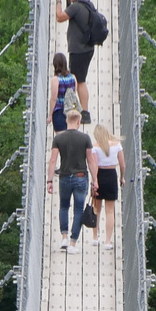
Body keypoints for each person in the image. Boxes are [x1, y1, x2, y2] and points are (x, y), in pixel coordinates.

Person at [47, 108, 99, 254]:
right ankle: (72, 243)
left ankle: (64, 236)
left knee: (64, 207)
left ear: (65, 121)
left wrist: (49, 181)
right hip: (81, 178)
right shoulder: (85, 138)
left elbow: (52, 161)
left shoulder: (58, 138)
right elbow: (90, 160)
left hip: (64, 178)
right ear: (79, 121)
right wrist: (95, 180)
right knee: (78, 210)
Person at [55, 0, 95, 123]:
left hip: (78, 50)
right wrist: (68, 0)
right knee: (79, 79)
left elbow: (60, 17)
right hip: (87, 49)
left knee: (79, 81)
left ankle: (83, 113)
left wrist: (59, 1)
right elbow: (72, 16)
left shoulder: (76, 7)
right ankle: (79, 110)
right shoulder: (87, 6)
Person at [89, 123, 124, 250]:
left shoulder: (94, 147)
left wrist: (95, 181)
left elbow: (94, 165)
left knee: (96, 209)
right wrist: (122, 177)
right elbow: (122, 164)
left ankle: (95, 237)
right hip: (111, 176)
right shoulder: (117, 145)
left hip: (99, 175)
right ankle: (108, 241)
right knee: (110, 211)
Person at [48, 52, 78, 133]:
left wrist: (50, 115)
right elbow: (73, 94)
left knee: (61, 140)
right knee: (71, 139)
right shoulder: (73, 77)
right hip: (71, 112)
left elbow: (54, 98)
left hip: (59, 112)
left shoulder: (56, 79)